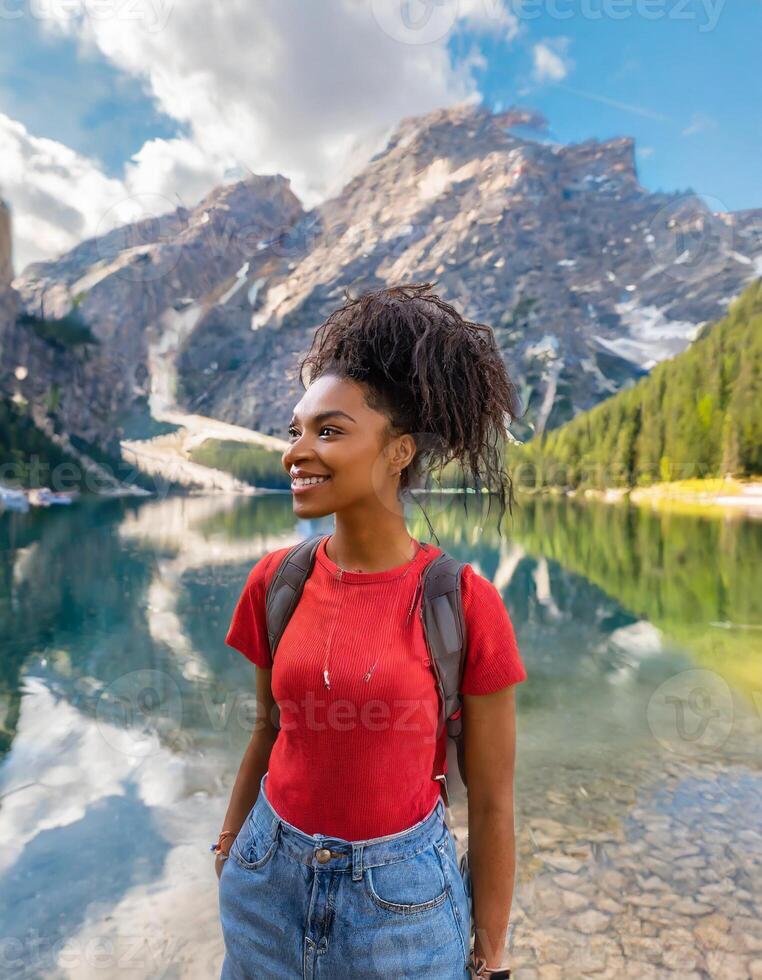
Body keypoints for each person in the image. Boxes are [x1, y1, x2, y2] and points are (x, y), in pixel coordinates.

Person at [216, 282, 528, 978]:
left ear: (398, 452)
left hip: (403, 912)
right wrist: (230, 846)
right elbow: (267, 730)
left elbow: (495, 797)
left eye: (329, 431)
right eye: (295, 429)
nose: (297, 450)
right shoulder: (276, 582)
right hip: (264, 883)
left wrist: (492, 947)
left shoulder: (465, 602)